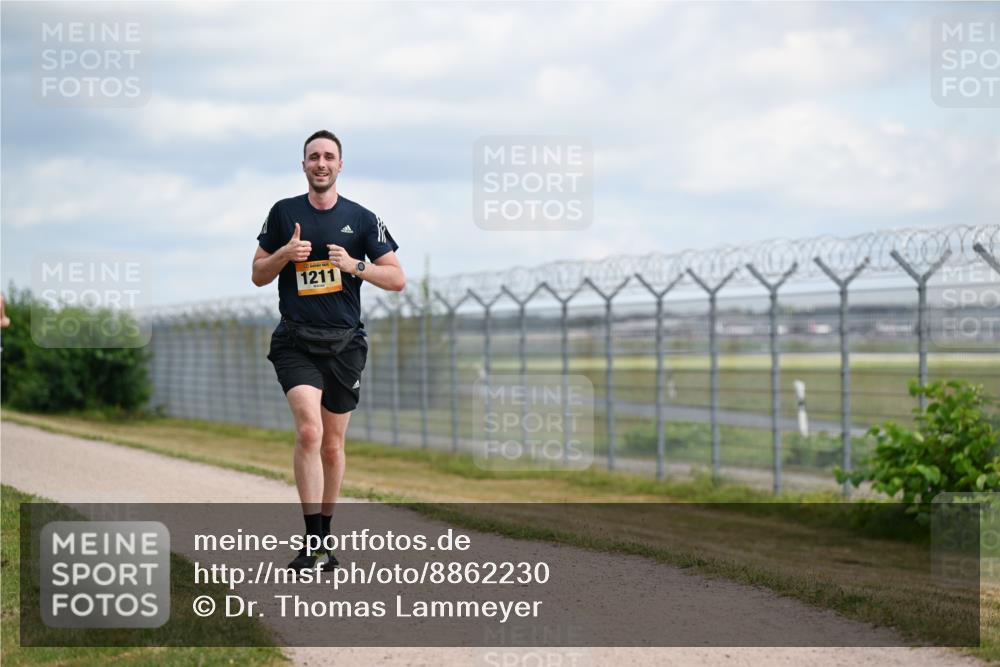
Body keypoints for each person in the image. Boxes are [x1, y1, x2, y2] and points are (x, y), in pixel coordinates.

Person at [252, 130, 405, 570]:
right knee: (309, 432)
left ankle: (326, 538)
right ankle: (313, 543)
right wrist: (284, 253)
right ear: (303, 165)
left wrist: (354, 265)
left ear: (340, 165)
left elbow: (397, 279)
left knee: (333, 446)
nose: (321, 163)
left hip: (344, 345)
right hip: (296, 340)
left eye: (329, 157)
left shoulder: (361, 219)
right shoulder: (283, 213)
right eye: (313, 157)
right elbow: (258, 274)